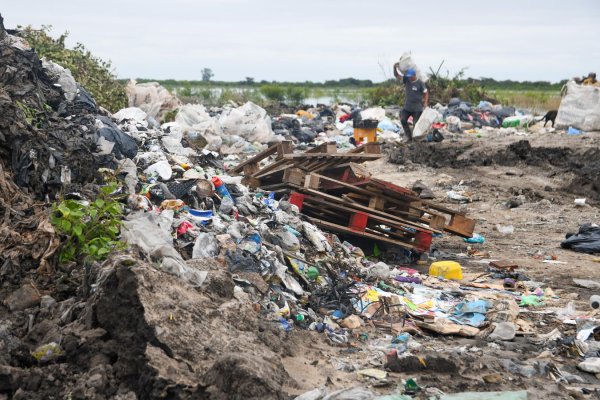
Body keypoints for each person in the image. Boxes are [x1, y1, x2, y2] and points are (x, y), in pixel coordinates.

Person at [393, 63, 429, 141]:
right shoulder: (406, 80)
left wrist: (425, 103)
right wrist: (394, 68)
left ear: (414, 75)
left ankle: (416, 139)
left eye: (410, 77)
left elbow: (425, 93)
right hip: (407, 107)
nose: (409, 78)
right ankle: (408, 136)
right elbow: (397, 76)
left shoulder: (420, 83)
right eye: (408, 77)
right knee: (403, 119)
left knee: (416, 124)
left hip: (417, 108)